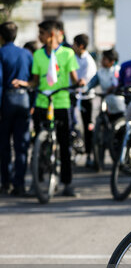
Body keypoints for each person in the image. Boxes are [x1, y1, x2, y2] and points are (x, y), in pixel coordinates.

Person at [12, 20, 84, 197]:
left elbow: (74, 78)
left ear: (51, 34)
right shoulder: (38, 55)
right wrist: (24, 83)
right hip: (43, 103)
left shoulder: (67, 53)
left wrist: (79, 83)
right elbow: (34, 81)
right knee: (39, 143)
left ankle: (67, 183)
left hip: (61, 103)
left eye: (42, 33)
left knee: (64, 144)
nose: (39, 37)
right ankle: (38, 180)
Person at [0, 21, 33, 196]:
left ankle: (6, 183)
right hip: (24, 100)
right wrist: (33, 104)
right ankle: (19, 184)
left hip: (6, 101)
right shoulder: (26, 54)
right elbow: (34, 80)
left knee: (4, 145)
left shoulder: (1, 53)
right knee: (21, 145)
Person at [71, 34, 98, 168]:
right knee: (72, 124)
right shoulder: (73, 57)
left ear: (81, 46)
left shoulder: (89, 61)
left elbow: (87, 82)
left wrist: (81, 84)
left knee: (88, 127)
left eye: (74, 44)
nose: (72, 46)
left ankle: (89, 155)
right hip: (73, 95)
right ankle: (74, 150)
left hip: (86, 98)